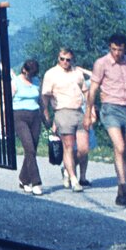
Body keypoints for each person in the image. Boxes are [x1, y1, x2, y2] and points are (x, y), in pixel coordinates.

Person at [89, 33, 126, 208]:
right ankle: (124, 186)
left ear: (125, 48)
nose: (117, 53)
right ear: (110, 47)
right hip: (111, 108)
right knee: (119, 146)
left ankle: (121, 188)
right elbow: (93, 89)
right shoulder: (101, 63)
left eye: (120, 49)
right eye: (114, 49)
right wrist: (89, 112)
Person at [41, 47, 90, 192]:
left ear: (72, 59)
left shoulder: (77, 73)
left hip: (79, 111)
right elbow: (45, 96)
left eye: (68, 59)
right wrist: (46, 115)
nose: (65, 62)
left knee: (83, 149)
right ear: (58, 58)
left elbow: (85, 91)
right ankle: (74, 179)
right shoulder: (51, 74)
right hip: (62, 111)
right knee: (68, 146)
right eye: (62, 59)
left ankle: (68, 169)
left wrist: (90, 110)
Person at [12, 59, 44, 195]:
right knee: (28, 147)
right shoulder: (15, 81)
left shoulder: (36, 81)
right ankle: (35, 182)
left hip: (35, 115)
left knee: (33, 149)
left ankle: (23, 179)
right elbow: (8, 99)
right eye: (29, 74)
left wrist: (45, 117)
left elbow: (40, 100)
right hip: (19, 115)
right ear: (24, 70)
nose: (31, 77)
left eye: (33, 75)